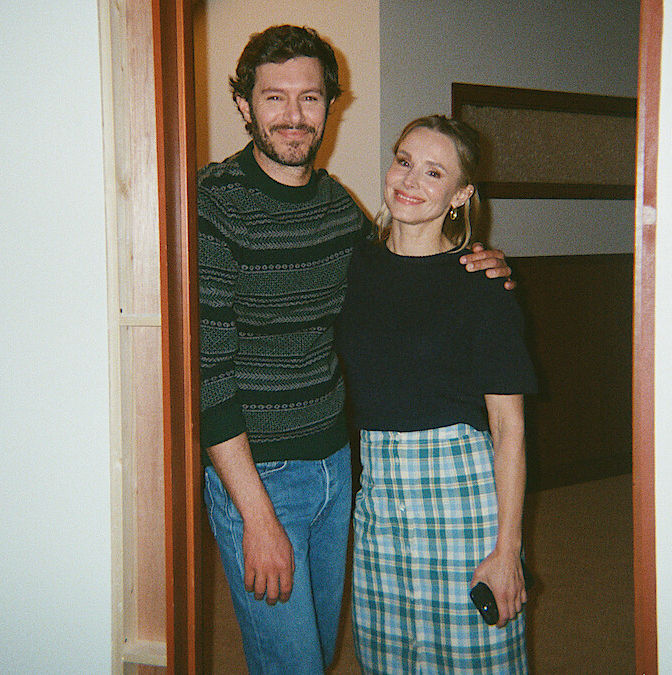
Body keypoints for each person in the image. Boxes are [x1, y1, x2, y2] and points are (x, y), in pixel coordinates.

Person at [197, 26, 514, 675]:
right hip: (261, 475)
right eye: (274, 97)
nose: (292, 115)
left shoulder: (340, 215)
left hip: (340, 472)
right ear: (243, 105)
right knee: (290, 661)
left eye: (309, 98)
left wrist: (485, 260)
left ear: (328, 107)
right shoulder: (213, 203)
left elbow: (409, 269)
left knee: (337, 647)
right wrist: (255, 514)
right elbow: (207, 373)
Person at [336, 114, 537, 673]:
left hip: (459, 498)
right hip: (377, 502)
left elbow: (509, 428)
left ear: (460, 194)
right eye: (404, 161)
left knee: (478, 658)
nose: (409, 181)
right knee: (388, 660)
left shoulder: (481, 283)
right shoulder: (356, 264)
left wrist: (507, 549)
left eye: (433, 172)